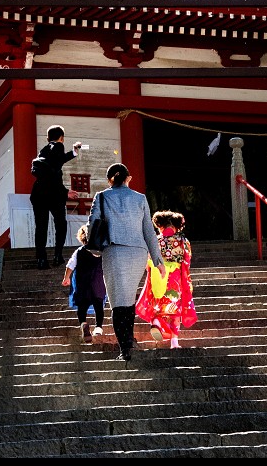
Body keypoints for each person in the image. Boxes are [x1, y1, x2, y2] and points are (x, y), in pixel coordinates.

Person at [89, 162, 166, 362]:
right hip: (138, 252)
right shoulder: (140, 198)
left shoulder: (102, 196)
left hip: (114, 249)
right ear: (127, 178)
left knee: (118, 301)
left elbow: (93, 225)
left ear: (110, 179)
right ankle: (128, 341)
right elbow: (148, 230)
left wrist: (95, 248)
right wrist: (157, 260)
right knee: (128, 298)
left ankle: (125, 348)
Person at [136, 210, 198, 349]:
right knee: (174, 308)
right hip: (175, 278)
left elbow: (148, 261)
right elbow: (187, 260)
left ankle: (157, 322)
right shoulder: (182, 241)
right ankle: (174, 341)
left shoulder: (155, 241)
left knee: (158, 304)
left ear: (161, 226)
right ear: (175, 226)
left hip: (158, 275)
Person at [30, 124, 83, 269]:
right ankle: (58, 255)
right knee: (61, 224)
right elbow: (54, 174)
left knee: (41, 227)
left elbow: (55, 164)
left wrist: (73, 152)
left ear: (48, 138)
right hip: (54, 195)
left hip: (39, 194)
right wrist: (65, 192)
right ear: (62, 138)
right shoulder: (58, 147)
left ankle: (41, 259)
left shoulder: (44, 151)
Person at [61, 223, 107, 343]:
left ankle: (83, 323)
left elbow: (70, 265)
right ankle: (98, 327)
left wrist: (66, 278)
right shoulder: (102, 251)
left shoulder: (79, 251)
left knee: (82, 307)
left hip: (83, 284)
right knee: (98, 306)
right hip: (98, 284)